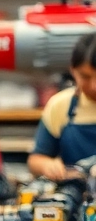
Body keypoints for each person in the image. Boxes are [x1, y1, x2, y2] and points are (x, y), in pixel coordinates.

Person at [29, 32, 96, 179]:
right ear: (72, 70)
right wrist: (47, 165)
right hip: (76, 189)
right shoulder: (61, 105)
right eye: (85, 76)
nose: (94, 86)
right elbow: (36, 159)